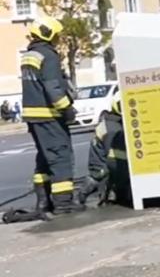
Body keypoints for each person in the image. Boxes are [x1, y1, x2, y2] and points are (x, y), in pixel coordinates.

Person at [20, 16, 84, 217]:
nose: (58, 39)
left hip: (33, 117)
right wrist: (67, 109)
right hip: (49, 115)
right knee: (60, 158)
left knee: (44, 160)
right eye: (56, 35)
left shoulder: (30, 55)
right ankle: (63, 204)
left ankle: (43, 202)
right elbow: (53, 87)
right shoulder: (48, 56)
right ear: (48, 34)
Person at [79, 92, 130, 206]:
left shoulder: (113, 122)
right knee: (97, 176)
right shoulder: (112, 126)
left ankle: (114, 193)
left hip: (108, 161)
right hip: (103, 162)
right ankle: (82, 196)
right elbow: (113, 154)